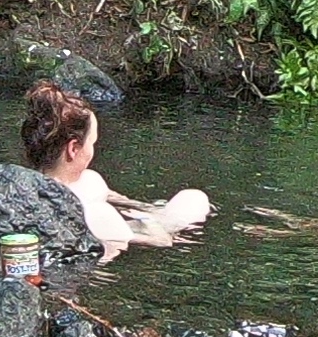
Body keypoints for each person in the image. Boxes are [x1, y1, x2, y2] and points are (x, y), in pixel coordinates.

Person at [22, 86, 207, 253]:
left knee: (92, 182)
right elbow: (162, 242)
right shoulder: (97, 213)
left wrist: (143, 208)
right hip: (115, 228)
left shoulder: (24, 189)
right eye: (92, 143)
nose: (93, 150)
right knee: (195, 199)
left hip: (111, 219)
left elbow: (120, 200)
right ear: (73, 149)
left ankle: (155, 211)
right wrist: (147, 219)